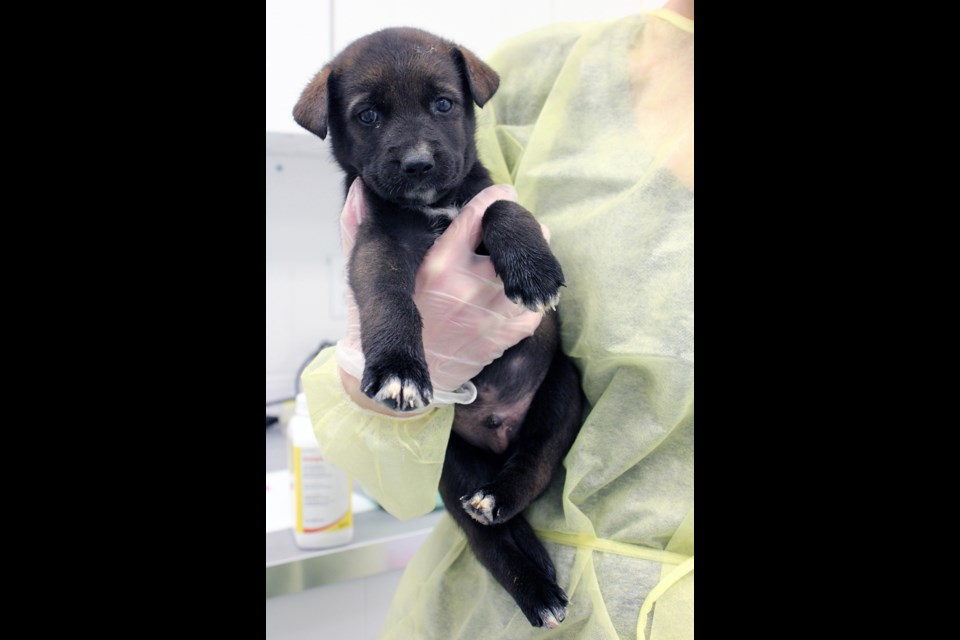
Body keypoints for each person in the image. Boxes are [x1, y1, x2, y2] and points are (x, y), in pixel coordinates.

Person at [301, 2, 693, 637]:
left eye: (440, 107)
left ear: (461, 101)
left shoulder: (467, 87)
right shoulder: (538, 74)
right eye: (370, 117)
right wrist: (372, 371)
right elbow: (384, 275)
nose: (420, 148)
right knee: (465, 483)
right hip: (479, 609)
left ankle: (516, 485)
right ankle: (516, 554)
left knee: (560, 387)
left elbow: (495, 212)